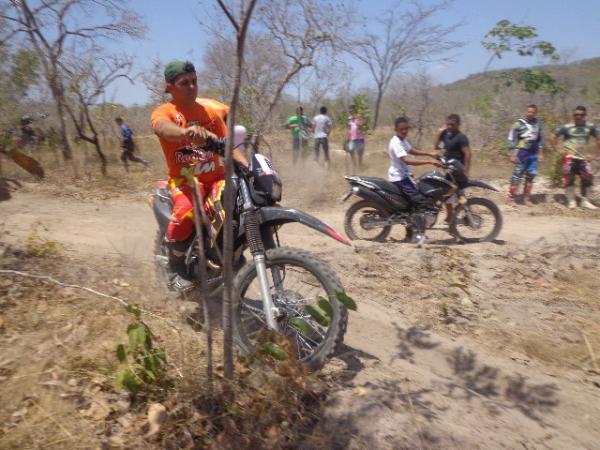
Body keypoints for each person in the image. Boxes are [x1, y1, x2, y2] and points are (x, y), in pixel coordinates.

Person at [150, 60, 249, 291]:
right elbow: (162, 128)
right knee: (187, 211)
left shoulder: (209, 113)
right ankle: (175, 268)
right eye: (184, 83)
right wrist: (185, 132)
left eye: (194, 81)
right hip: (185, 181)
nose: (191, 87)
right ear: (169, 88)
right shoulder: (165, 112)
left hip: (215, 177)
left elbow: (230, 146)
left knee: (239, 203)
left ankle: (228, 252)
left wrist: (247, 166)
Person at [388, 116, 441, 242]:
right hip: (399, 178)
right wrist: (429, 161)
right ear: (396, 129)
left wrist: (429, 153)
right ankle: (418, 236)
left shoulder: (402, 140)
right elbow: (406, 159)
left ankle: (410, 234)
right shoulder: (395, 142)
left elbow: (411, 150)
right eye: (402, 129)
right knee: (421, 202)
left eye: (406, 129)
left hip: (404, 176)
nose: (404, 131)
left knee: (411, 204)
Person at [550, 105, 600, 210]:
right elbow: (552, 137)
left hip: (583, 158)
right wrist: (558, 149)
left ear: (585, 115)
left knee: (587, 178)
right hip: (569, 157)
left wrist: (594, 155)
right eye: (576, 114)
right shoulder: (566, 127)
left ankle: (585, 201)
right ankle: (571, 201)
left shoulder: (590, 127)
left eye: (581, 115)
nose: (578, 116)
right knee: (569, 178)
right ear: (573, 115)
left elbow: (598, 139)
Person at [434, 113, 471, 222]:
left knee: (460, 194)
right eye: (448, 124)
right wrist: (438, 134)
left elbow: (468, 155)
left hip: (459, 170)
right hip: (448, 170)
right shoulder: (445, 134)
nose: (450, 127)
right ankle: (450, 216)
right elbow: (436, 146)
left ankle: (467, 215)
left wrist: (466, 171)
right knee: (447, 194)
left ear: (458, 124)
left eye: (452, 125)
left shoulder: (462, 138)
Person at [505, 105, 544, 206]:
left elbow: (539, 140)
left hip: (533, 154)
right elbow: (511, 139)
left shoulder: (537, 124)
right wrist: (512, 154)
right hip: (522, 153)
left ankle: (526, 198)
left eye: (532, 112)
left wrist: (540, 153)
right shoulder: (518, 124)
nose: (530, 114)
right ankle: (511, 197)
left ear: (536, 113)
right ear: (526, 112)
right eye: (528, 112)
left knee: (531, 176)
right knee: (517, 176)